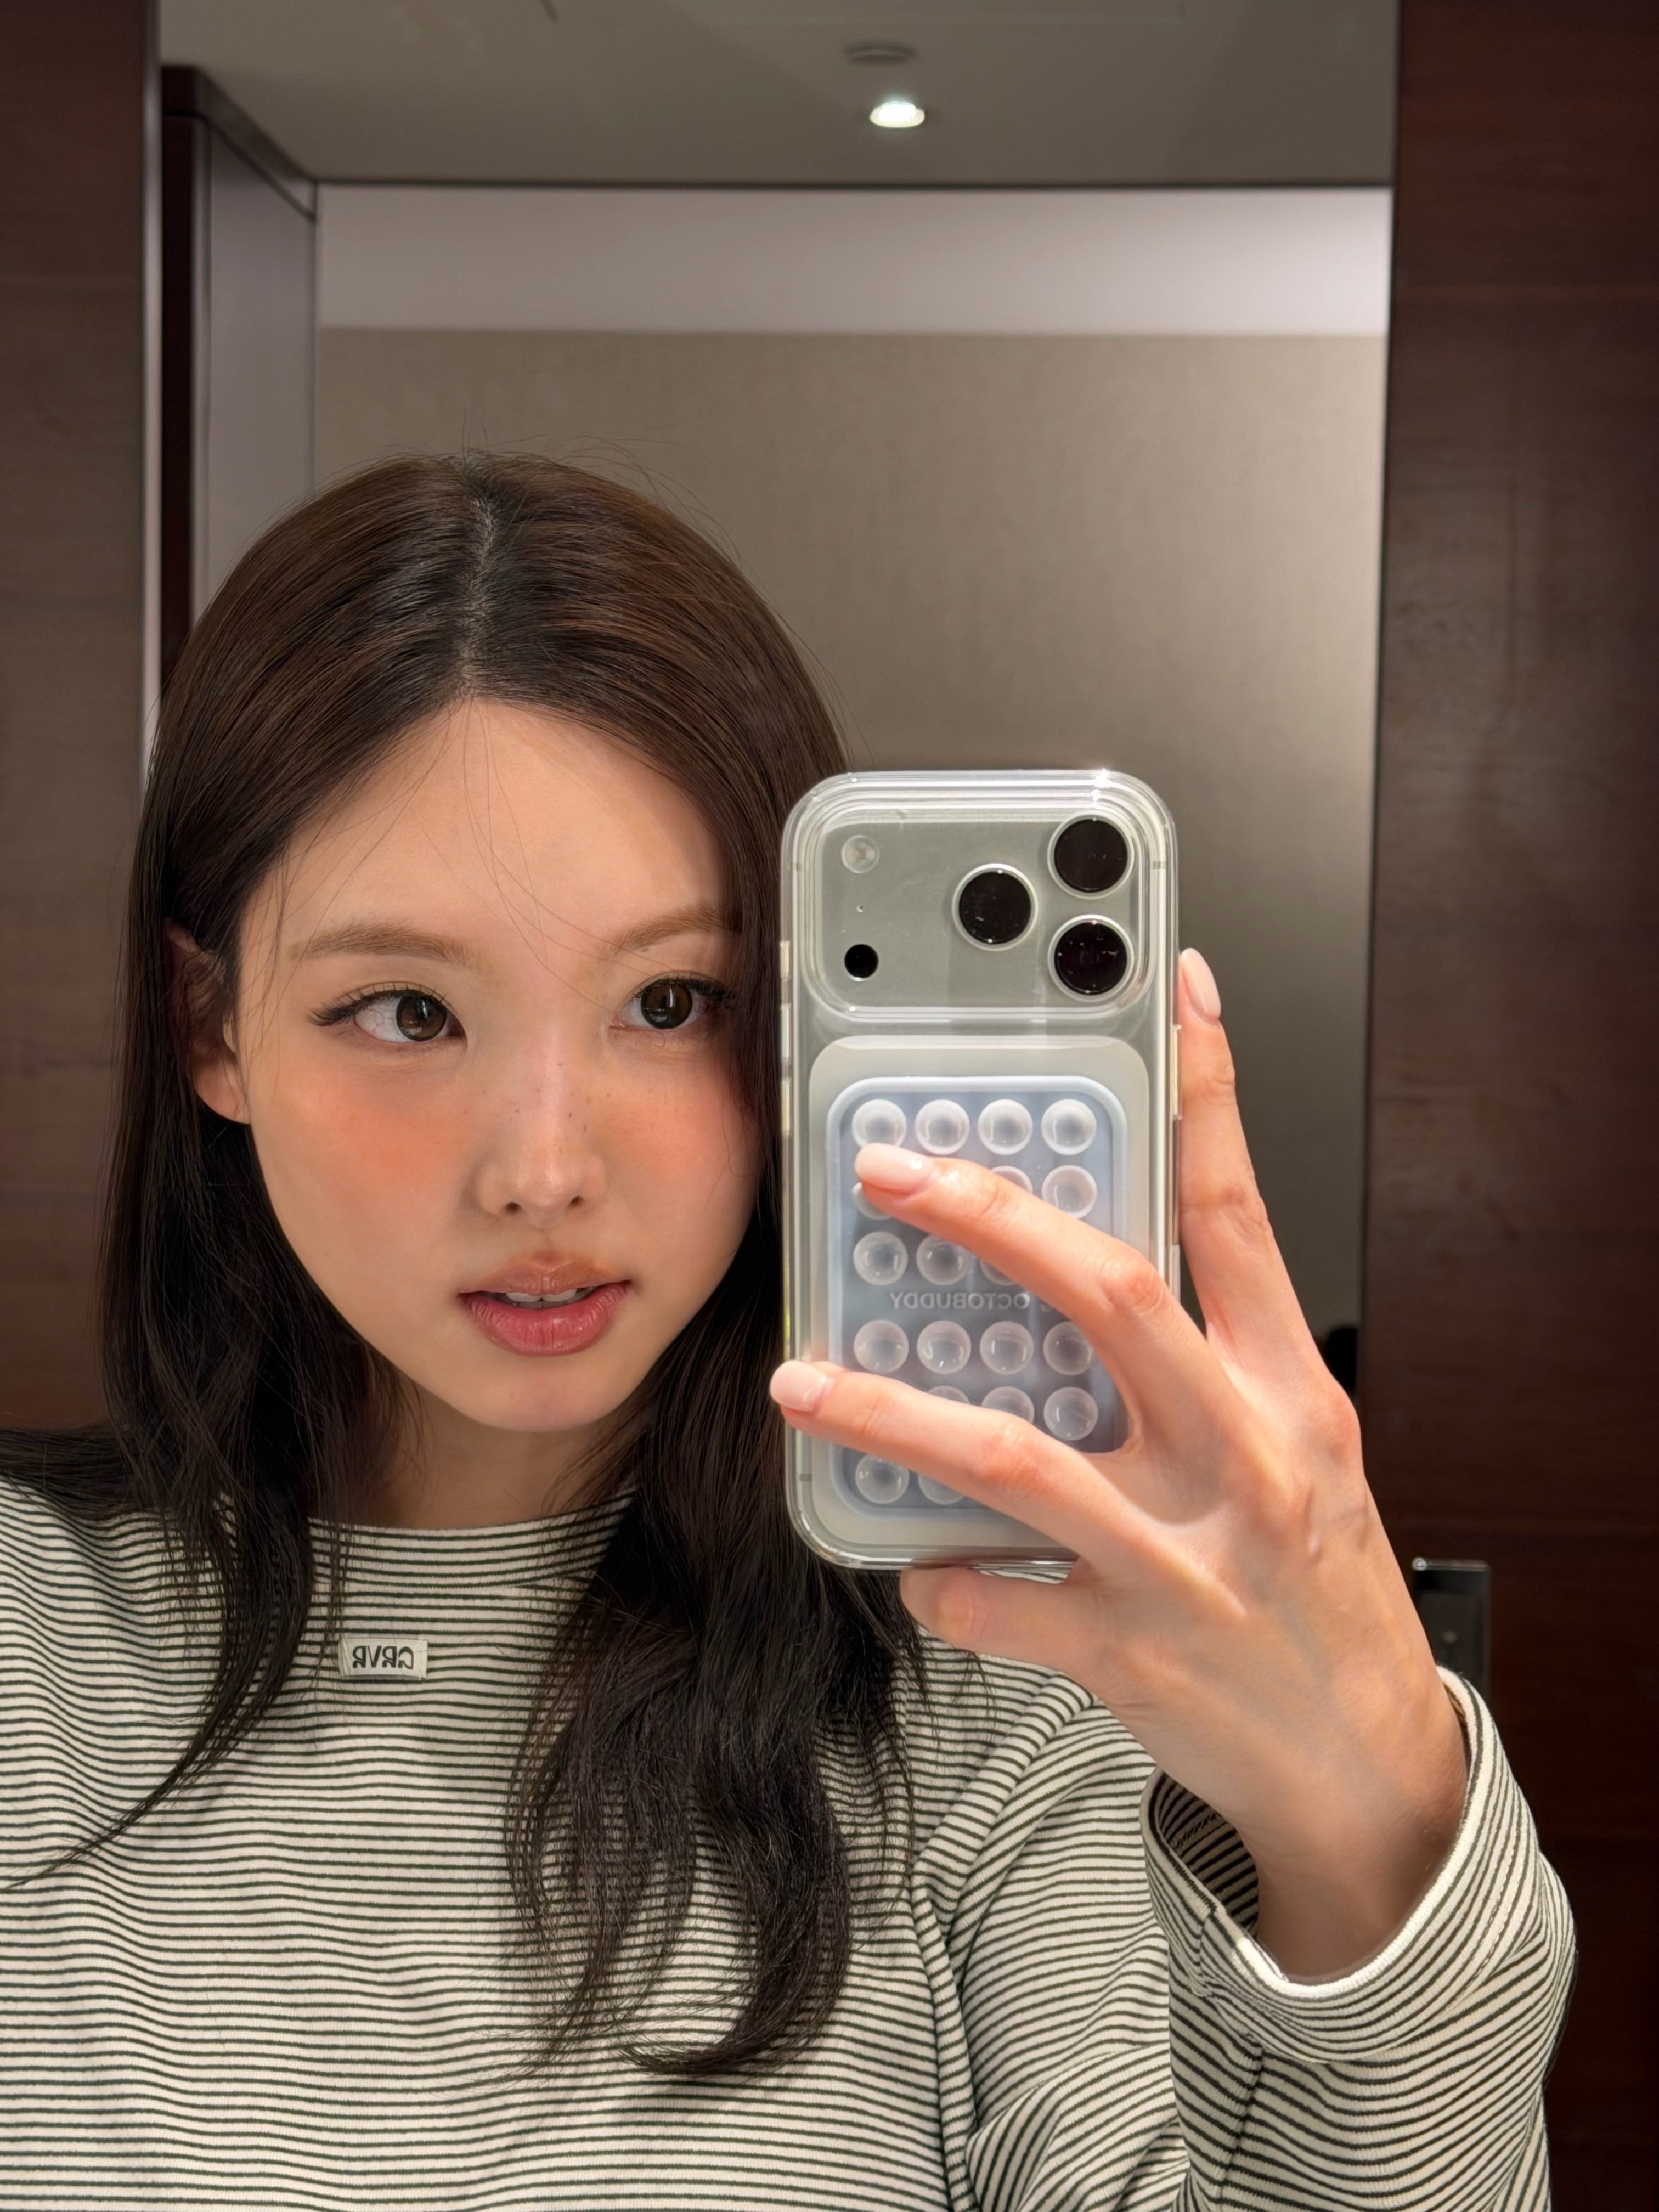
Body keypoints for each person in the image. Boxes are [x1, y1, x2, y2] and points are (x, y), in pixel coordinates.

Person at [0, 454, 1571, 2209]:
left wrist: (1371, 1832)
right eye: (407, 1012)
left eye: (673, 1002)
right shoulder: (27, 1642)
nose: (544, 1170)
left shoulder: (998, 1681)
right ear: (209, 1026)